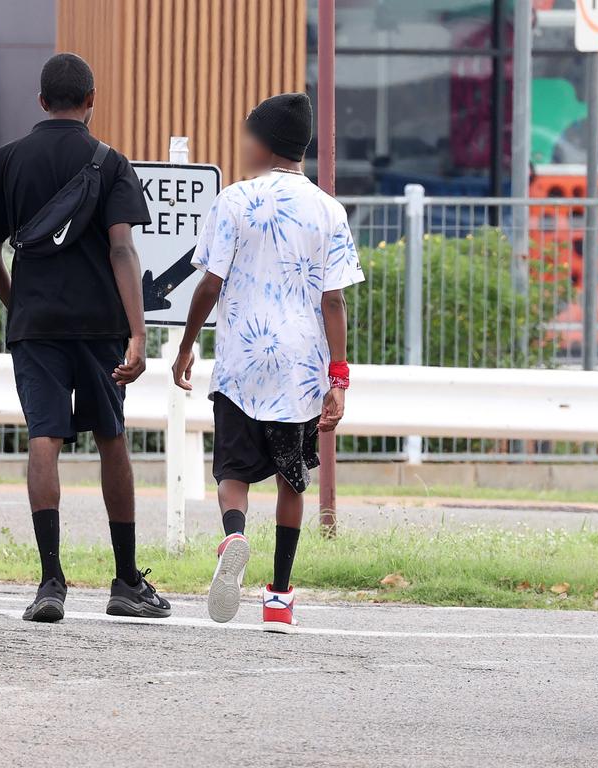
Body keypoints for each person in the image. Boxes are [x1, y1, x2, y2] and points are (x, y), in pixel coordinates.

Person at [0, 53, 171, 622]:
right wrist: (138, 332)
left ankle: (50, 583)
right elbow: (121, 249)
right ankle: (125, 582)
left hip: (35, 327)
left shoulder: (6, 161)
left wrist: (22, 308)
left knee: (45, 437)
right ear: (91, 100)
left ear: (40, 101)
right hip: (100, 325)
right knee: (111, 437)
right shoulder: (109, 163)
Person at [171, 92, 364, 632]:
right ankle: (279, 595)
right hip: (302, 367)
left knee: (232, 471)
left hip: (241, 361)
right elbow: (334, 300)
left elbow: (209, 282)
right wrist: (339, 378)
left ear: (260, 142)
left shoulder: (234, 200)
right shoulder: (330, 210)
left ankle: (233, 534)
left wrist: (188, 345)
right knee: (291, 481)